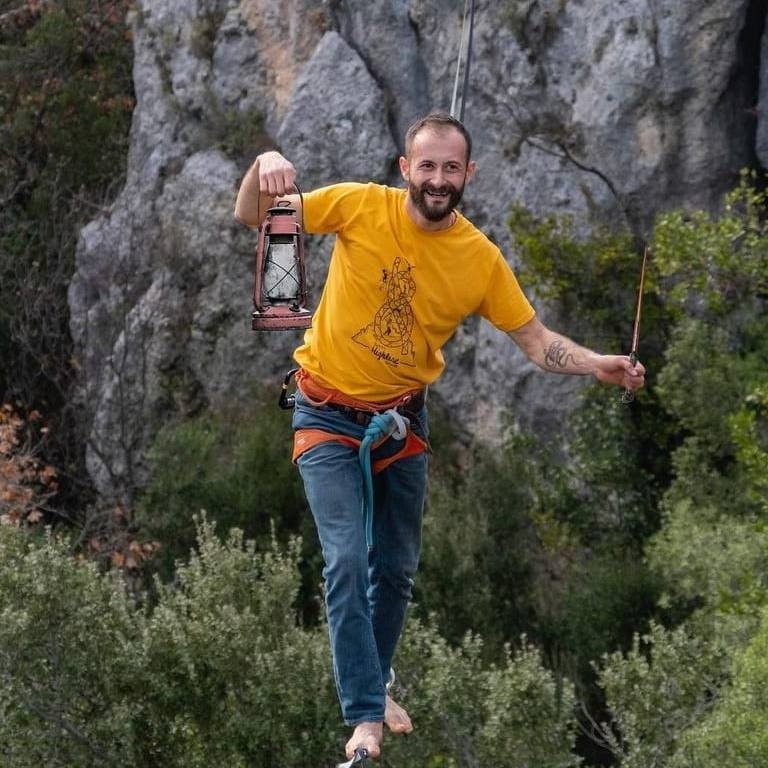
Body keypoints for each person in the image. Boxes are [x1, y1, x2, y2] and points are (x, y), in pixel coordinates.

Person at [234, 112, 645, 760]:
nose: (438, 179)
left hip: (401, 420)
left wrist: (598, 364)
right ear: (405, 169)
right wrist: (263, 168)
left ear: (468, 174)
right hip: (325, 412)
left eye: (451, 168)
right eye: (427, 165)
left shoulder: (479, 259)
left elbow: (536, 341)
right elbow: (256, 216)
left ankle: (378, 680)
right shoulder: (360, 207)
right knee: (344, 561)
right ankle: (364, 715)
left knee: (395, 569)